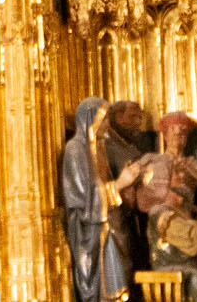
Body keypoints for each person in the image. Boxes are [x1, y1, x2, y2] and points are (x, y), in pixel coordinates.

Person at [124, 112, 197, 302]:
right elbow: (137, 197)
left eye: (184, 133)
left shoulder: (193, 172)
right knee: (196, 277)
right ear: (165, 134)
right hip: (171, 254)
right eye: (174, 131)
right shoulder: (152, 166)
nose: (179, 137)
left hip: (193, 244)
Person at [61, 99, 136, 302]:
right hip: (88, 231)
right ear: (89, 120)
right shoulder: (75, 150)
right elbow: (82, 199)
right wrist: (119, 184)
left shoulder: (97, 150)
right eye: (103, 120)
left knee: (115, 285)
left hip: (103, 227)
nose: (107, 125)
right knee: (97, 286)